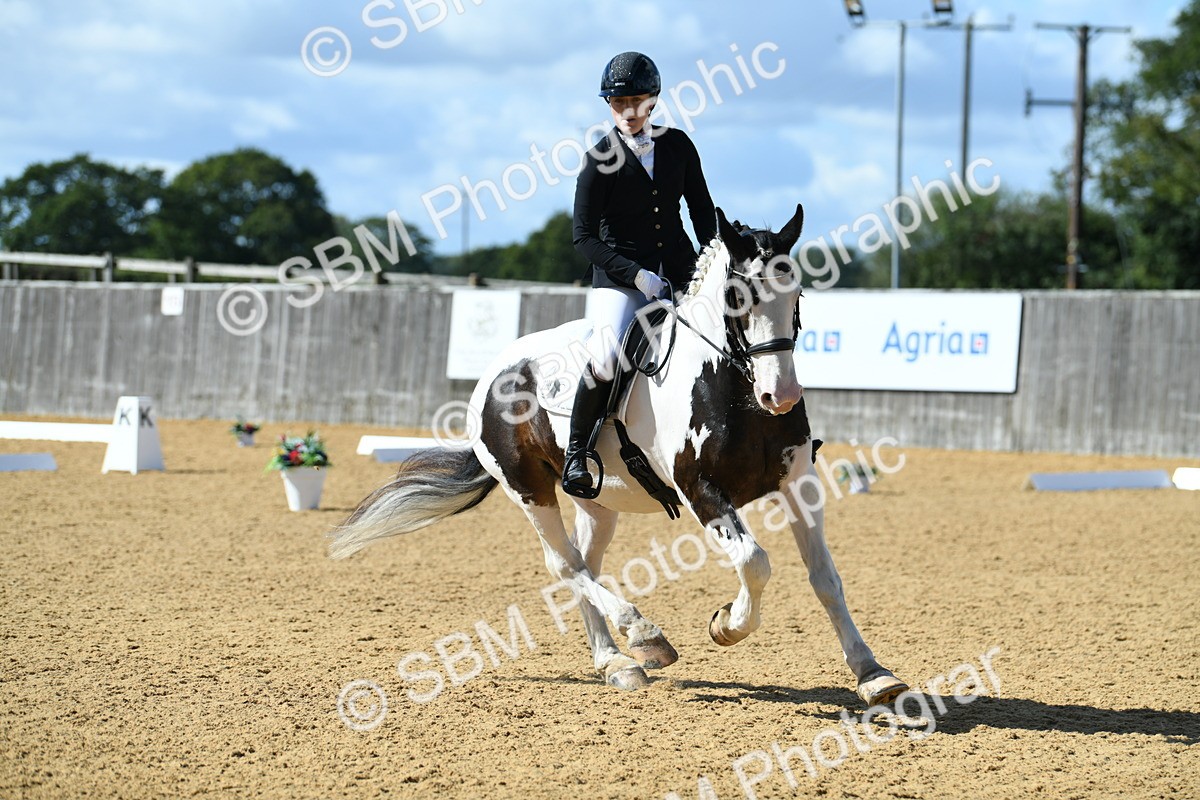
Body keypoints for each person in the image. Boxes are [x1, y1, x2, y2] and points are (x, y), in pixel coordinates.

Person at [563, 51, 717, 498]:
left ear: (653, 100)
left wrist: (711, 260)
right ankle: (577, 453)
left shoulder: (678, 146)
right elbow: (583, 237)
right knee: (606, 357)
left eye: (635, 101)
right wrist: (635, 276)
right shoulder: (599, 158)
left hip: (683, 271)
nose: (627, 111)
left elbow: (702, 212)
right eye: (617, 103)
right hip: (620, 280)